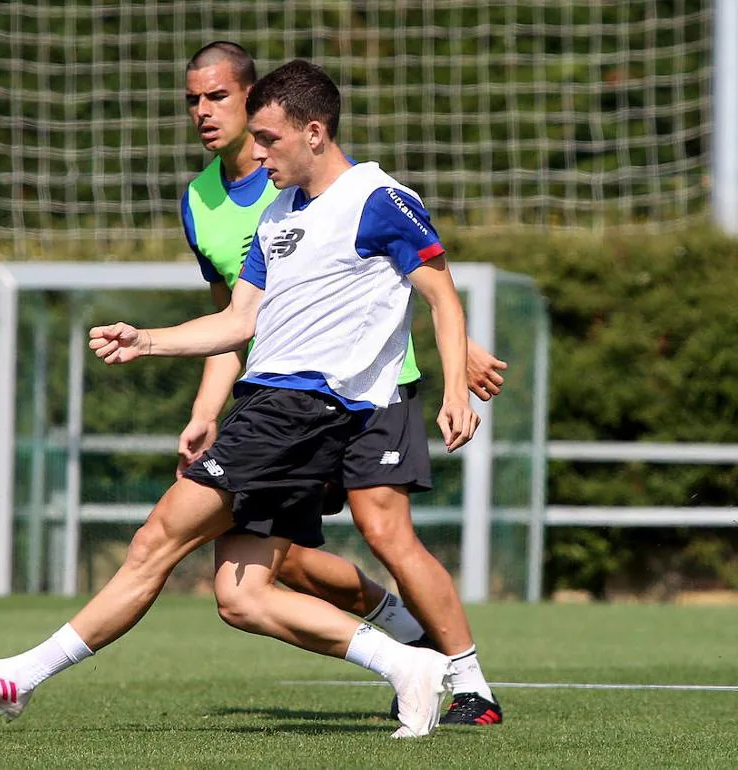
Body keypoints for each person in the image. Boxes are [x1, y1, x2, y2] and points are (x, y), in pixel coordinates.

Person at [0, 59, 477, 739]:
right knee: (241, 596)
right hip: (265, 407)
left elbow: (441, 295)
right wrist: (148, 340)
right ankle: (408, 666)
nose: (258, 153)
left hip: (302, 411)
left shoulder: (379, 200)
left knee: (156, 538)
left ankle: (22, 678)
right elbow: (237, 322)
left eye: (270, 139)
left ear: (315, 133)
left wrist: (454, 388)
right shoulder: (279, 214)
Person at [178, 41, 505, 726]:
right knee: (283, 560)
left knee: (383, 527)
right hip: (283, 395)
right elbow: (233, 318)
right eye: (192, 100)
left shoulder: (343, 185)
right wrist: (206, 406)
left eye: (218, 98)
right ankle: (410, 638)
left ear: (258, 103)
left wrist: (456, 356)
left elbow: (405, 276)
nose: (203, 113)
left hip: (373, 387)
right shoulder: (205, 202)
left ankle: (470, 680)